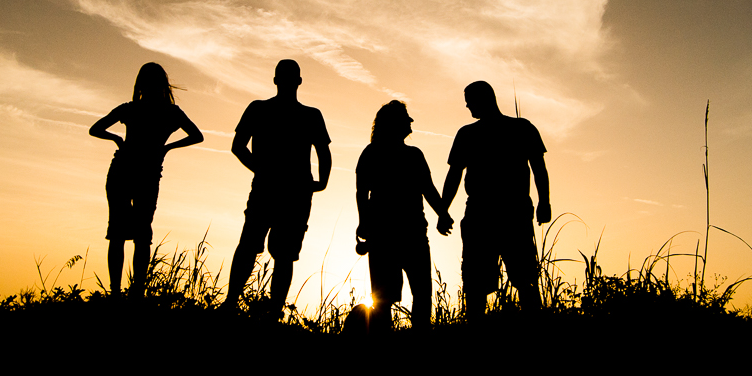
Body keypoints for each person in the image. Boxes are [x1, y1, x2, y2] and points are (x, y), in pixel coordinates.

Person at [220, 59, 331, 320]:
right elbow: (324, 153)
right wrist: (322, 181)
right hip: (290, 192)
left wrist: (260, 170)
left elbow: (238, 146)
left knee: (259, 249)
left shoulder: (263, 110)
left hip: (277, 190)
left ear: (275, 80)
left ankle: (236, 304)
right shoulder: (306, 115)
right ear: (299, 81)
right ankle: (264, 311)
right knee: (279, 255)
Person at [89, 63, 203, 297]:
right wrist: (166, 147)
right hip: (134, 173)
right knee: (133, 233)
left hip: (134, 172)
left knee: (127, 233)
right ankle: (128, 292)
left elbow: (96, 129)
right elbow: (197, 136)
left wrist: (117, 139)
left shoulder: (138, 109)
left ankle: (122, 293)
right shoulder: (165, 112)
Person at [439, 81, 551, 318]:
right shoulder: (470, 133)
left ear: (484, 99)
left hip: (507, 212)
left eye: (470, 101)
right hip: (488, 213)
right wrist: (443, 210)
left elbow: (539, 167)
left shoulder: (519, 128)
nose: (468, 106)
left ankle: (533, 324)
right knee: (478, 283)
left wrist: (544, 202)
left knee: (523, 279)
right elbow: (454, 175)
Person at [354, 100, 451, 338]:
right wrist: (442, 213)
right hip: (405, 234)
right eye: (406, 117)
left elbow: (361, 192)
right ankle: (414, 339)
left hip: (395, 234)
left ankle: (388, 341)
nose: (411, 122)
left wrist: (442, 212)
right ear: (395, 123)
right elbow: (427, 189)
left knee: (393, 296)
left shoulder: (374, 153)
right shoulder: (407, 155)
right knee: (411, 294)